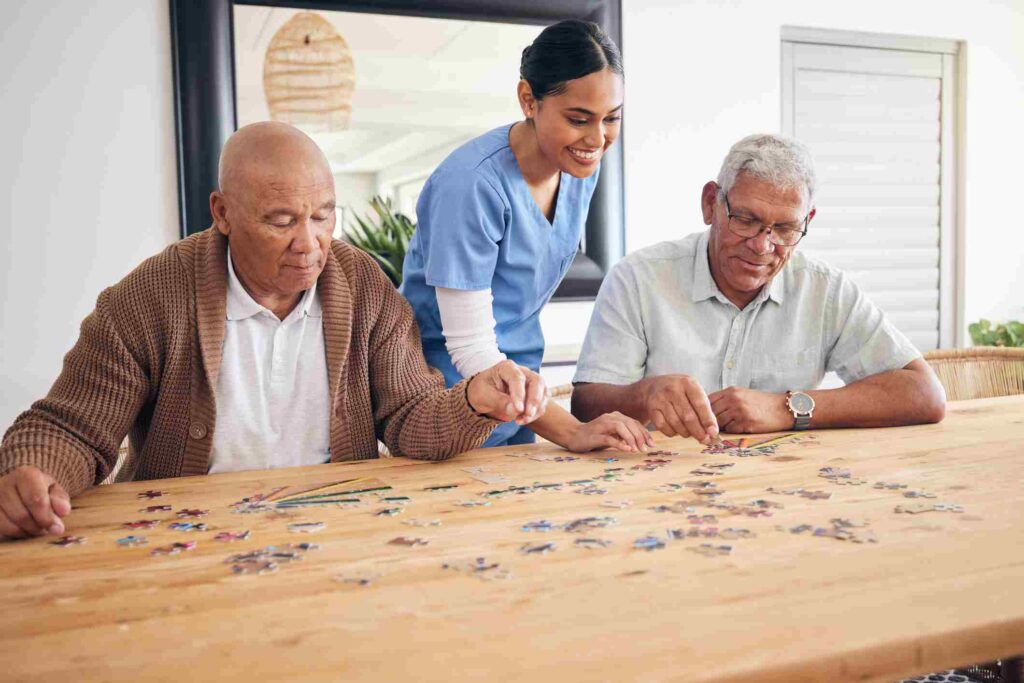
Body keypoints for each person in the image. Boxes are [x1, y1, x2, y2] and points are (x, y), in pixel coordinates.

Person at [0, 122, 569, 541]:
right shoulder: (150, 296)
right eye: (281, 221)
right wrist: (35, 472)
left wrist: (473, 401)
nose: (310, 242)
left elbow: (411, 421)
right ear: (222, 213)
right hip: (181, 536)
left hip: (339, 528)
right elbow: (72, 427)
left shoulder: (364, 285)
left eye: (323, 215)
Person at [571, 133, 946, 442]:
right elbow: (585, 406)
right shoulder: (638, 278)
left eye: (785, 229)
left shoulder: (825, 290)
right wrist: (645, 394)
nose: (762, 246)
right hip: (653, 486)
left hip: (783, 490)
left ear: (807, 219)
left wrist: (788, 408)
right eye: (746, 220)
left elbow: (924, 394)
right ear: (710, 204)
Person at [400, 19, 643, 451]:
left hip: (524, 397)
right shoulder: (470, 185)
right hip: (449, 401)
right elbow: (472, 349)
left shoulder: (580, 166)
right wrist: (572, 431)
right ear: (528, 99)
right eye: (578, 119)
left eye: (611, 118)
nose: (597, 138)